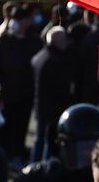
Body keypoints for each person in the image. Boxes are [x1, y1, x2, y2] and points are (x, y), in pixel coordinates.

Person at [0, 3, 40, 160]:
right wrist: (0, 86)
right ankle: (4, 153)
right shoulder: (3, 41)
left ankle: (18, 152)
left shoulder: (34, 42)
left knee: (22, 125)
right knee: (6, 125)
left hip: (25, 92)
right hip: (7, 92)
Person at [32, 24, 77, 162]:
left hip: (41, 107)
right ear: (57, 42)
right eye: (63, 40)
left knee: (40, 139)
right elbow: (60, 86)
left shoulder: (40, 56)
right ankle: (44, 167)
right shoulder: (55, 61)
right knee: (48, 141)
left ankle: (34, 163)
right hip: (52, 109)